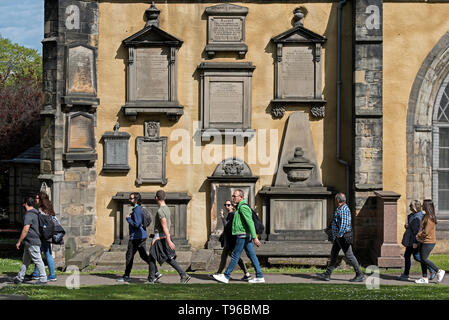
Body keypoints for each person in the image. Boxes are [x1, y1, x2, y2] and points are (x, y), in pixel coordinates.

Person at [213, 189, 265, 284]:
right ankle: (260, 276)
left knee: (235, 255)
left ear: (241, 197)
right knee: (252, 255)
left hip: (243, 235)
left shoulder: (243, 208)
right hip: (244, 235)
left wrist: (255, 237)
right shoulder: (239, 207)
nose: (233, 198)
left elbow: (250, 222)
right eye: (233, 196)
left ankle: (226, 276)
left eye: (235, 196)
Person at [317, 192, 365, 282]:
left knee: (349, 255)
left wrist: (340, 234)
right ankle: (327, 274)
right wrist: (329, 228)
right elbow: (336, 221)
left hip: (342, 237)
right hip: (338, 237)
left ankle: (360, 275)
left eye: (336, 199)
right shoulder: (340, 208)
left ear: (338, 200)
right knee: (334, 254)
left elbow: (345, 224)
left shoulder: (344, 209)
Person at [147, 190, 191, 283]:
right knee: (166, 257)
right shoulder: (166, 208)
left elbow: (165, 226)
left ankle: (151, 278)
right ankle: (183, 274)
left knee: (152, 257)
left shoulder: (160, 211)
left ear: (156, 198)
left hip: (159, 238)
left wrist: (169, 240)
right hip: (161, 236)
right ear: (165, 198)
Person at [117, 192, 162, 282]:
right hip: (142, 235)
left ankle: (126, 276)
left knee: (129, 256)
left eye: (131, 198)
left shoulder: (137, 210)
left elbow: (137, 224)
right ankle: (156, 272)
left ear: (136, 200)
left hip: (136, 237)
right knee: (144, 256)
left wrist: (128, 219)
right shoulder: (139, 209)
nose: (129, 200)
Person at [211, 200, 252, 281]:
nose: (226, 206)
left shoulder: (233, 215)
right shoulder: (230, 214)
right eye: (225, 205)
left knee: (235, 257)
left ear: (233, 206)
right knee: (224, 257)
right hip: (228, 240)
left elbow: (227, 226)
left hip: (231, 240)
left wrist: (222, 217)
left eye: (228, 205)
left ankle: (246, 274)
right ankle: (218, 273)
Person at [398, 200, 436, 281]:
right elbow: (413, 228)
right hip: (410, 240)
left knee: (417, 257)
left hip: (414, 240)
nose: (409, 207)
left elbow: (418, 231)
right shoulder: (412, 215)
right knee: (416, 256)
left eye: (411, 205)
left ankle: (432, 270)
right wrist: (408, 226)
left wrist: (416, 242)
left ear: (415, 207)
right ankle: (430, 270)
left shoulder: (418, 217)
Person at [13, 196, 47, 285]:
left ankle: (43, 278)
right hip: (31, 241)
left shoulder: (29, 214)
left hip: (32, 241)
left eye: (23, 203)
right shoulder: (36, 213)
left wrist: (19, 241)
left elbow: (26, 229)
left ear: (26, 204)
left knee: (38, 260)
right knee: (25, 261)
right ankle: (20, 277)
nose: (22, 205)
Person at [27, 192, 58, 281]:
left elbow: (40, 224)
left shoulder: (41, 211)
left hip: (43, 236)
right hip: (47, 235)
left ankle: (52, 275)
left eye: (37, 198)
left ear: (41, 200)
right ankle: (36, 273)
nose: (35, 200)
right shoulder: (49, 209)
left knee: (47, 254)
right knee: (39, 254)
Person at [415, 199, 445, 284]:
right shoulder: (425, 216)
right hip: (424, 241)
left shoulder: (430, 218)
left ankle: (438, 271)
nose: (422, 206)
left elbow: (426, 232)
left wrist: (418, 235)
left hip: (429, 242)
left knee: (424, 258)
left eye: (423, 205)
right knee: (422, 259)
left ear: (427, 206)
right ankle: (424, 278)